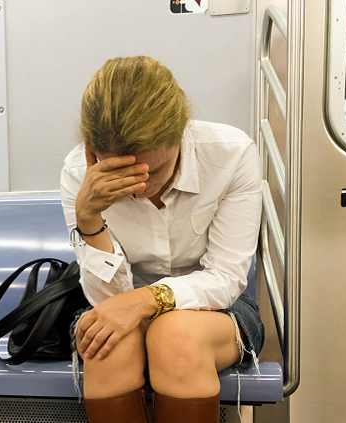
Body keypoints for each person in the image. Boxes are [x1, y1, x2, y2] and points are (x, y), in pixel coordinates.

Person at [60, 56, 264, 423]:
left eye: (152, 171)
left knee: (175, 335)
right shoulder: (79, 172)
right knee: (109, 345)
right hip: (118, 304)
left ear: (183, 128)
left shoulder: (231, 154)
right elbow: (108, 304)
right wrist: (88, 218)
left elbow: (227, 277)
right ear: (92, 152)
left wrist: (147, 300)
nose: (139, 188)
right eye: (119, 174)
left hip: (215, 309)